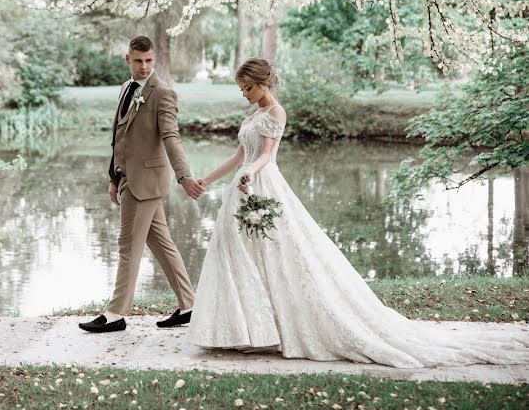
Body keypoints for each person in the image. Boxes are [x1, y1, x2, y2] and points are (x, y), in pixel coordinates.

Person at [189, 57, 529, 367]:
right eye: (241, 89)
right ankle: (245, 328)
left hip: (262, 185)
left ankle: (273, 328)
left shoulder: (276, 113)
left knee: (278, 255)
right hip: (241, 188)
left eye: (248, 87)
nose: (244, 93)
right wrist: (209, 178)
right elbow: (239, 156)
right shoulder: (252, 116)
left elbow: (264, 156)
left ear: (264, 83)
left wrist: (252, 173)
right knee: (237, 253)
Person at [79, 35, 205, 333]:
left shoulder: (163, 93)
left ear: (154, 60)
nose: (145, 67)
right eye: (138, 61)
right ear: (128, 59)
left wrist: (184, 176)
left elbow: (171, 138)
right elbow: (119, 139)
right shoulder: (126, 88)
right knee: (162, 244)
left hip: (146, 182)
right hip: (128, 179)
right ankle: (189, 305)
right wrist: (114, 178)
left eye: (149, 61)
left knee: (128, 246)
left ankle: (116, 313)